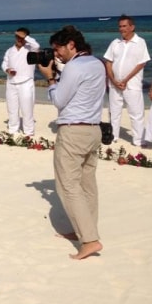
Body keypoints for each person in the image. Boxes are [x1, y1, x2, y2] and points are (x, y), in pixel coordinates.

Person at [37, 26, 106, 260]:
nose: (57, 55)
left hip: (73, 130)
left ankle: (89, 239)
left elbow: (59, 100)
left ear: (71, 45)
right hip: (93, 129)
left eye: (59, 50)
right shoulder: (96, 63)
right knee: (87, 184)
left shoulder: (74, 68)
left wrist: (50, 78)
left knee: (68, 186)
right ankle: (85, 230)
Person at [103, 14, 150, 146]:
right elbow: (108, 63)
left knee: (136, 112)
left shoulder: (140, 42)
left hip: (132, 84)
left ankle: (138, 140)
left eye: (124, 26)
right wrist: (113, 80)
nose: (121, 29)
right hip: (114, 85)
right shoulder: (115, 43)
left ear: (132, 27)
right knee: (114, 112)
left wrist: (125, 79)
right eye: (120, 26)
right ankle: (113, 136)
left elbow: (141, 64)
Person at [1, 27, 40, 135]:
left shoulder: (30, 49)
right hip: (11, 82)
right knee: (12, 108)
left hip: (26, 82)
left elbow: (37, 45)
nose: (19, 39)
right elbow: (4, 63)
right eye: (17, 36)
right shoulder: (10, 50)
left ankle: (29, 132)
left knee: (27, 109)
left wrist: (25, 36)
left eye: (21, 37)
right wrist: (7, 69)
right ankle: (13, 130)